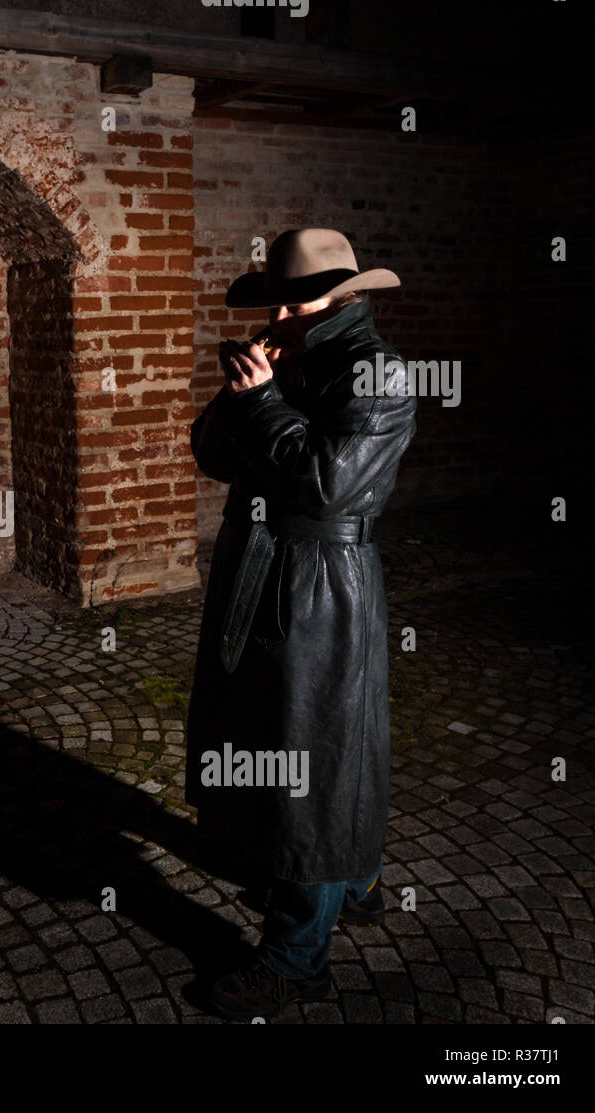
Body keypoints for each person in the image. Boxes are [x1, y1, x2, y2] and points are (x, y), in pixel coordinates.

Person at [185, 228, 418, 1020]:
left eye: (298, 300)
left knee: (314, 763)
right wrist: (238, 394)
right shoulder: (285, 353)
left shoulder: (377, 373)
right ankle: (353, 883)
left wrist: (263, 402)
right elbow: (211, 455)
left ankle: (295, 961)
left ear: (345, 297)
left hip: (322, 583)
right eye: (275, 299)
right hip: (260, 568)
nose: (280, 313)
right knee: (276, 742)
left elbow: (325, 485)